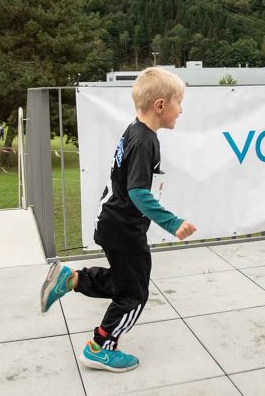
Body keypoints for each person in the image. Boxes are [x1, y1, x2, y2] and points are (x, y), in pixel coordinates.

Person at [40, 67, 196, 373]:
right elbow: (138, 192)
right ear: (160, 105)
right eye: (179, 102)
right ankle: (100, 347)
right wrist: (172, 222)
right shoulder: (145, 141)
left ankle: (71, 279)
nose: (181, 109)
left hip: (114, 224)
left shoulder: (134, 131)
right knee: (134, 294)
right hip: (124, 230)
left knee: (124, 283)